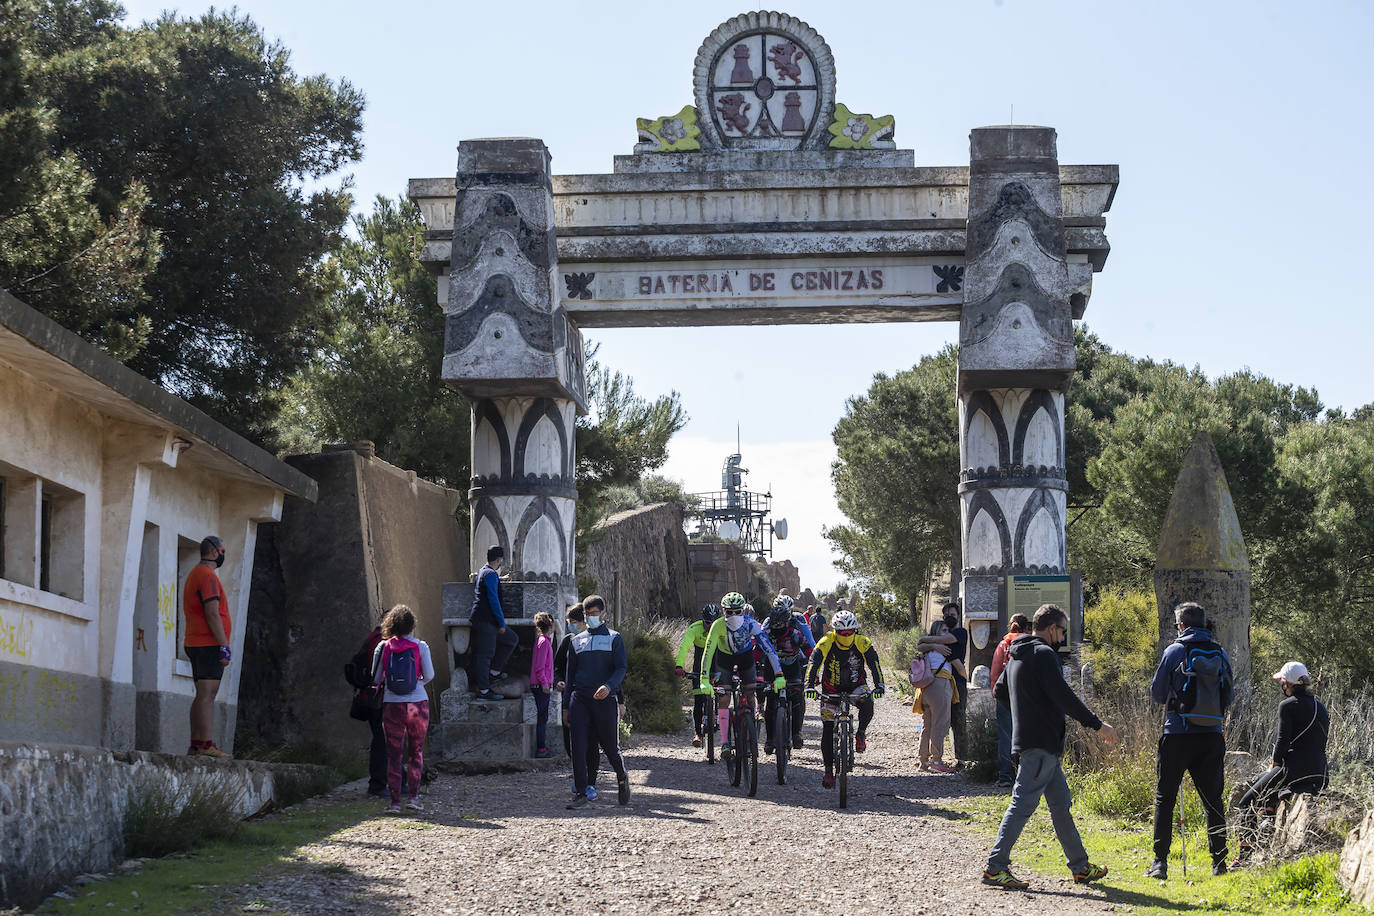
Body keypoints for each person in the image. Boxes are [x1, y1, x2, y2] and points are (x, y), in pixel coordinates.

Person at [983, 603, 1117, 890]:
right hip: (1041, 744)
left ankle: (1080, 867)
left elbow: (999, 690)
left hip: (1039, 744)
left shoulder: (1016, 653)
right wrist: (1098, 725)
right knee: (1021, 805)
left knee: (1060, 805)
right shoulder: (1044, 654)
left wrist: (1024, 715)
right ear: (1052, 628)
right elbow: (1064, 697)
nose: (1063, 637)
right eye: (1062, 631)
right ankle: (995, 867)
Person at [1146, 601, 1234, 879]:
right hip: (1211, 736)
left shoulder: (1174, 651)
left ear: (1182, 625)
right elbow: (1229, 696)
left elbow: (1158, 693)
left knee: (1165, 798)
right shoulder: (1220, 653)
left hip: (1177, 734)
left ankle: (1160, 863)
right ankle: (1219, 864)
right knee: (1213, 801)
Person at [1232, 661, 1329, 866]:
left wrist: (1275, 764)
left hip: (1293, 770)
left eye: (1282, 682)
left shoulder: (1287, 705)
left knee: (1246, 802)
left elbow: (1282, 741)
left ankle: (1245, 856)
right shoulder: (1320, 706)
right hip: (1320, 772)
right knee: (1265, 782)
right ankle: (1268, 822)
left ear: (1287, 683)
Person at [805, 609, 885, 790]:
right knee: (827, 728)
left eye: (850, 632)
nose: (846, 636)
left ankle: (861, 732)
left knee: (868, 701)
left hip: (856, 685)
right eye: (842, 633)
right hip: (831, 688)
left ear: (855, 630)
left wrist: (879, 685)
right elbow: (813, 663)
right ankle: (828, 771)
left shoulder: (862, 641)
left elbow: (874, 664)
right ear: (835, 631)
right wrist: (808, 685)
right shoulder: (826, 641)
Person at [699, 592, 785, 759]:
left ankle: (749, 736)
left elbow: (769, 649)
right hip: (724, 660)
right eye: (729, 612)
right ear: (723, 611)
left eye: (737, 611)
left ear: (743, 611)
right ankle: (725, 743)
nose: (733, 615)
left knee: (750, 694)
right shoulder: (717, 625)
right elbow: (708, 652)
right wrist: (704, 679)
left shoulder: (751, 624)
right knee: (724, 698)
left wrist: (779, 674)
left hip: (746, 659)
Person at [565, 595, 631, 809]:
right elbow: (569, 676)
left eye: (594, 613)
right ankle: (581, 792)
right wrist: (566, 706)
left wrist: (609, 687)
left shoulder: (614, 638)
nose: (590, 617)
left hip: (605, 700)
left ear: (603, 613)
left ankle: (621, 777)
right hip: (580, 699)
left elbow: (620, 668)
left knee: (610, 746)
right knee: (578, 746)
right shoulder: (576, 641)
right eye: (587, 614)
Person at [370, 604, 435, 815]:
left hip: (392, 704)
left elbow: (375, 677)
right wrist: (416, 683)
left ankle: (395, 802)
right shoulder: (421, 646)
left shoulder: (383, 647)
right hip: (418, 704)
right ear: (411, 625)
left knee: (393, 754)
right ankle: (414, 798)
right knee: (416, 752)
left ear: (390, 624)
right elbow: (430, 675)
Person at [183, 535, 232, 758]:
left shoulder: (195, 573)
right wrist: (223, 645)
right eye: (222, 552)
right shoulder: (208, 577)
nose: (222, 556)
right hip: (208, 643)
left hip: (195, 642)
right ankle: (205, 744)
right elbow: (212, 613)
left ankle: (196, 744)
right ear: (214, 552)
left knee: (201, 694)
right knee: (208, 695)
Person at [761, 599, 815, 753]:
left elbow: (810, 651)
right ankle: (770, 739)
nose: (777, 627)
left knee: (797, 697)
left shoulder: (796, 633)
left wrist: (814, 671)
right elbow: (757, 651)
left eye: (780, 624)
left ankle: (796, 733)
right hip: (772, 669)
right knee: (770, 702)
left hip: (792, 668)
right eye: (774, 624)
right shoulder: (766, 633)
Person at [470, 545, 518, 701]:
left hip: (484, 619)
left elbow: (488, 581)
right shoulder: (490, 574)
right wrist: (501, 622)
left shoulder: (484, 571)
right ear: (499, 560)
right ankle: (484, 690)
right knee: (485, 655)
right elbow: (493, 599)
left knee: (511, 639)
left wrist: (500, 579)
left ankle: (493, 673)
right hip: (486, 619)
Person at [990, 613, 1032, 787]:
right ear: (1027, 628)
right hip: (1026, 696)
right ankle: (1026, 774)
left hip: (1005, 696)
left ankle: (1005, 776)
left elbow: (995, 672)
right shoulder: (1031, 645)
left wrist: (995, 692)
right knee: (1028, 735)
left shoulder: (1003, 645)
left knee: (1005, 736)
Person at [915, 618, 960, 773]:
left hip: (925, 688)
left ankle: (923, 761)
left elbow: (920, 645)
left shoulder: (927, 649)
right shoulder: (946, 647)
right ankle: (937, 760)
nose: (947, 634)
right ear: (937, 633)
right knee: (940, 724)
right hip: (940, 684)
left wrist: (932, 644)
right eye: (944, 631)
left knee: (927, 725)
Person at [674, 604, 720, 748]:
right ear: (703, 620)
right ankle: (698, 734)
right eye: (707, 623)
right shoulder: (694, 628)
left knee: (721, 692)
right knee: (698, 700)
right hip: (699, 666)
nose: (710, 626)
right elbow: (684, 647)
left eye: (713, 623)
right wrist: (679, 666)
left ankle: (717, 713)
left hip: (716, 663)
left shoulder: (721, 628)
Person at [350, 622, 388, 797]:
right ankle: (377, 785)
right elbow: (380, 674)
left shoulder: (372, 638)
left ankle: (398, 780)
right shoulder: (382, 642)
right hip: (379, 699)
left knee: (383, 741)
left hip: (369, 697)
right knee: (382, 742)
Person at [530, 612, 556, 758]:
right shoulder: (544, 642)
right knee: (542, 718)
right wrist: (545, 683)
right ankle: (541, 748)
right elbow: (539, 667)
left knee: (542, 717)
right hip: (540, 686)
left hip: (541, 685)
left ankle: (542, 747)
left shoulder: (543, 641)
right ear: (550, 626)